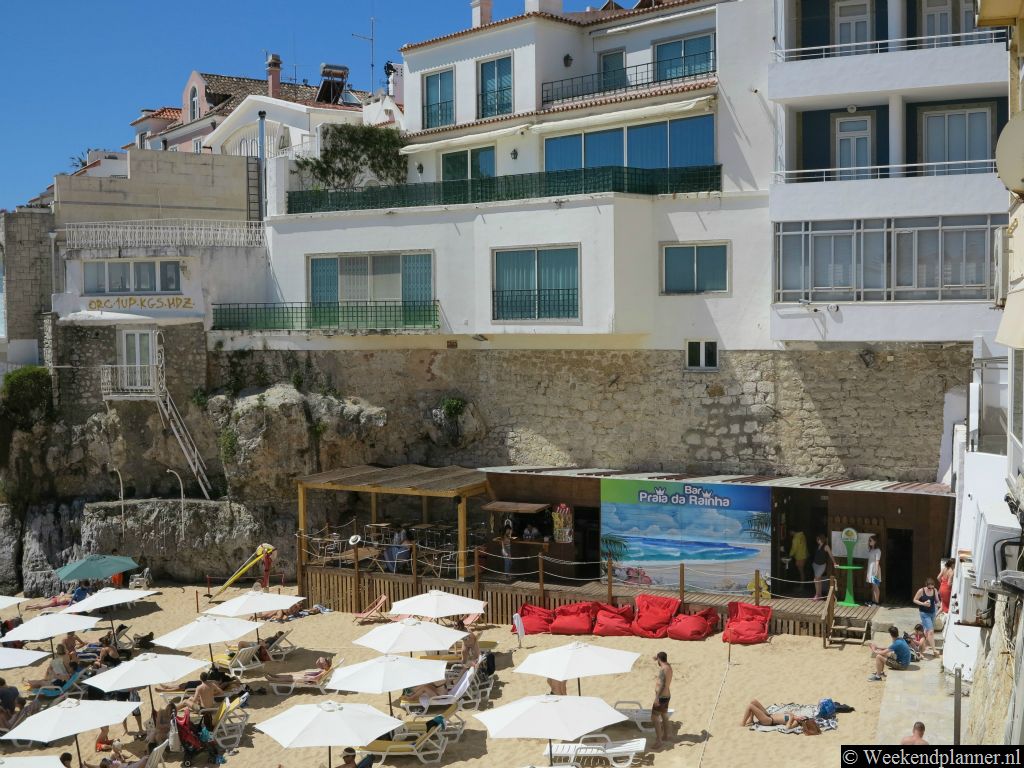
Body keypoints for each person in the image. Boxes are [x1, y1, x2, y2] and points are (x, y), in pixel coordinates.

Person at [912, 578, 940, 658]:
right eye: (929, 588)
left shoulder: (935, 590)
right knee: (930, 631)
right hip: (924, 613)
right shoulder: (921, 591)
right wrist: (923, 604)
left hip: (932, 613)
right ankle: (934, 650)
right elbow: (915, 600)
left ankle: (921, 650)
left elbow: (937, 600)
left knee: (926, 632)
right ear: (926, 586)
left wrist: (938, 604)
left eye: (932, 587)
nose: (930, 589)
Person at [651, 651, 673, 749]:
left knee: (654, 718)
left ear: (660, 660)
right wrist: (658, 658)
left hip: (661, 697)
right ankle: (666, 736)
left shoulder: (663, 670)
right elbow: (663, 660)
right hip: (667, 695)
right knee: (664, 715)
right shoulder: (669, 667)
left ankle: (659, 741)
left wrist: (657, 698)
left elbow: (662, 684)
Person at [741, 699, 809, 727]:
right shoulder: (794, 716)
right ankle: (751, 720)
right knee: (753, 701)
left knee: (750, 706)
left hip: (768, 721)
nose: (801, 717)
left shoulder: (795, 722)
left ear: (801, 721)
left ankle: (742, 723)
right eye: (803, 716)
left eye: (802, 719)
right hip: (769, 715)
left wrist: (791, 718)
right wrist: (789, 713)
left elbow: (788, 727)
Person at [812, 533, 838, 601]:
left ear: (821, 539)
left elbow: (831, 555)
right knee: (819, 580)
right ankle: (819, 595)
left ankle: (817, 595)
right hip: (815, 565)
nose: (817, 540)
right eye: (817, 539)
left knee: (816, 579)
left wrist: (834, 563)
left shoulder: (826, 546)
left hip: (821, 565)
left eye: (818, 539)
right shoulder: (818, 546)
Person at [865, 535, 882, 606]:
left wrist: (876, 571)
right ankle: (873, 601)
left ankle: (876, 602)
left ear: (875, 541)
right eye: (869, 540)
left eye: (871, 540)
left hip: (875, 569)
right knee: (873, 586)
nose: (869, 542)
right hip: (870, 569)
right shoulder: (871, 550)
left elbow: (877, 561)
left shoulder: (878, 550)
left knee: (876, 586)